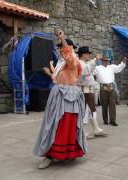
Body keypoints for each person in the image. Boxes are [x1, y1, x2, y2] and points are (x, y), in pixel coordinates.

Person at [33, 30, 88, 169]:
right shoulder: (60, 63)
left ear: (68, 49)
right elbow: (58, 79)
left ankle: (66, 153)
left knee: (66, 124)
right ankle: (50, 154)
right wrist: (50, 73)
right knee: (53, 124)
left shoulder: (73, 61)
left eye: (62, 48)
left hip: (70, 96)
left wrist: (62, 38)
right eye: (59, 48)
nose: (60, 50)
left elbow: (69, 57)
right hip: (58, 94)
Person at [77, 46, 108, 139]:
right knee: (87, 108)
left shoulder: (85, 63)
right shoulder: (80, 63)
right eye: (88, 54)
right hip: (84, 87)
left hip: (88, 86)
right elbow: (85, 72)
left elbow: (91, 71)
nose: (89, 55)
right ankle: (84, 130)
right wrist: (94, 60)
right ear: (83, 54)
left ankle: (95, 128)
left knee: (90, 108)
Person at [94, 54, 127, 126]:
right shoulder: (98, 68)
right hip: (103, 87)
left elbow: (119, 68)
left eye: (107, 61)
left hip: (111, 87)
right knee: (104, 104)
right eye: (105, 60)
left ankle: (112, 120)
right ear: (102, 61)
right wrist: (95, 59)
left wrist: (123, 62)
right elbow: (92, 69)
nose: (106, 62)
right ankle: (105, 120)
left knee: (112, 104)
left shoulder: (112, 67)